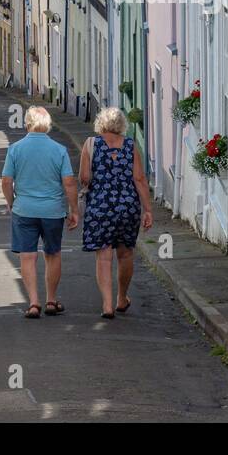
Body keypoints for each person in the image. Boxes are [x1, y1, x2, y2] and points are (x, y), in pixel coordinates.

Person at [2, 106, 78, 319]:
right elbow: (69, 182)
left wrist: (11, 202)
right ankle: (51, 300)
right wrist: (74, 210)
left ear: (27, 124)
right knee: (53, 254)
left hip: (24, 209)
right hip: (53, 211)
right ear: (48, 125)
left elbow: (7, 181)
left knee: (27, 256)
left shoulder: (15, 149)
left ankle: (34, 303)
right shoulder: (59, 150)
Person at [78, 107, 153, 319]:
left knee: (103, 257)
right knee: (126, 253)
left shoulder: (91, 144)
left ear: (100, 123)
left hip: (100, 207)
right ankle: (122, 297)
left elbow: (84, 178)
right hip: (127, 206)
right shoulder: (130, 145)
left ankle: (107, 305)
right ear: (122, 125)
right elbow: (139, 179)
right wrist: (147, 210)